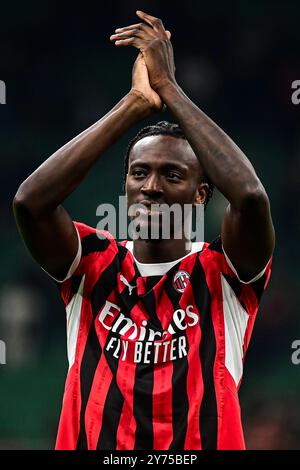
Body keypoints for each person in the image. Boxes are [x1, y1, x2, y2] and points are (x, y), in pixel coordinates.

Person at [13, 10, 275, 450]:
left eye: (173, 175)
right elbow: (29, 202)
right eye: (139, 173)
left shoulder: (225, 272)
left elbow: (250, 198)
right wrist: (133, 104)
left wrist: (169, 88)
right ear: (126, 186)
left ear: (200, 194)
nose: (151, 186)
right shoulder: (91, 264)